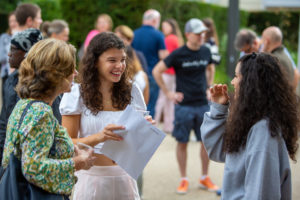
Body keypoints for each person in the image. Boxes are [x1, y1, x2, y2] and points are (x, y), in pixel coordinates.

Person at [1, 38, 95, 197]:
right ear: (57, 74)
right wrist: (77, 163)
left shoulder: (24, 105)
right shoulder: (41, 113)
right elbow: (33, 168)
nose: (76, 73)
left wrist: (67, 151)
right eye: (71, 68)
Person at [60, 32, 148, 200]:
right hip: (92, 179)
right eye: (112, 60)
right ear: (95, 62)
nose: (120, 66)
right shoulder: (76, 94)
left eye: (122, 60)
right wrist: (98, 137)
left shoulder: (133, 90)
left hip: (126, 177)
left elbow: (138, 145)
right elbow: (65, 142)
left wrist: (144, 129)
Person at [200, 52, 299, 199]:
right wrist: (218, 110)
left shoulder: (263, 131)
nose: (233, 82)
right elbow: (219, 151)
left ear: (251, 83)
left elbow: (260, 194)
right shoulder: (252, 121)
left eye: (237, 76)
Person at [153, 18, 218, 194]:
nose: (201, 36)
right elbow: (157, 70)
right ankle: (184, 179)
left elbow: (211, 68)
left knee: (205, 143)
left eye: (202, 33)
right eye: (197, 33)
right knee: (182, 143)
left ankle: (205, 177)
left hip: (203, 105)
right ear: (188, 34)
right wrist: (168, 94)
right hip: (184, 106)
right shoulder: (178, 53)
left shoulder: (206, 51)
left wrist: (209, 87)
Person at [0, 29, 45, 166]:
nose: (9, 54)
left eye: (14, 50)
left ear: (27, 54)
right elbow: (4, 121)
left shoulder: (43, 86)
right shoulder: (11, 80)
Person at [132, 9, 168, 117]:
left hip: (136, 74)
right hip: (152, 74)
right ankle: (147, 130)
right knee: (150, 105)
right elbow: (163, 56)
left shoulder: (134, 34)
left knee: (135, 104)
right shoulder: (159, 35)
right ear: (155, 20)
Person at [154, 18, 183, 133]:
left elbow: (166, 57)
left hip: (166, 72)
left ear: (171, 27)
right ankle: (168, 126)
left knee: (161, 99)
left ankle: (154, 123)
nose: (163, 28)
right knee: (169, 100)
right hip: (174, 73)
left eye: (165, 26)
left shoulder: (169, 39)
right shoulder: (177, 39)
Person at [0, 12, 18, 104]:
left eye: (14, 21)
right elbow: (1, 57)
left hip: (19, 75)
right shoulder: (4, 37)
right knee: (6, 102)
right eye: (10, 21)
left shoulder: (23, 37)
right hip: (6, 75)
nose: (12, 23)